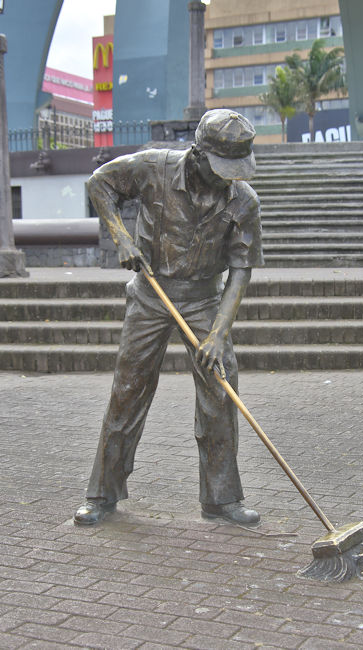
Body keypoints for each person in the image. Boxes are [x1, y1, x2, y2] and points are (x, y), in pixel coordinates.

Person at [74, 109, 264, 527]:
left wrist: (218, 332)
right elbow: (99, 184)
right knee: (128, 388)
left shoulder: (243, 200)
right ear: (198, 154)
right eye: (220, 168)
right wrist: (121, 237)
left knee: (221, 388)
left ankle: (221, 499)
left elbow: (241, 269)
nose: (227, 178)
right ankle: (102, 493)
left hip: (203, 300)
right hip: (151, 294)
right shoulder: (152, 167)